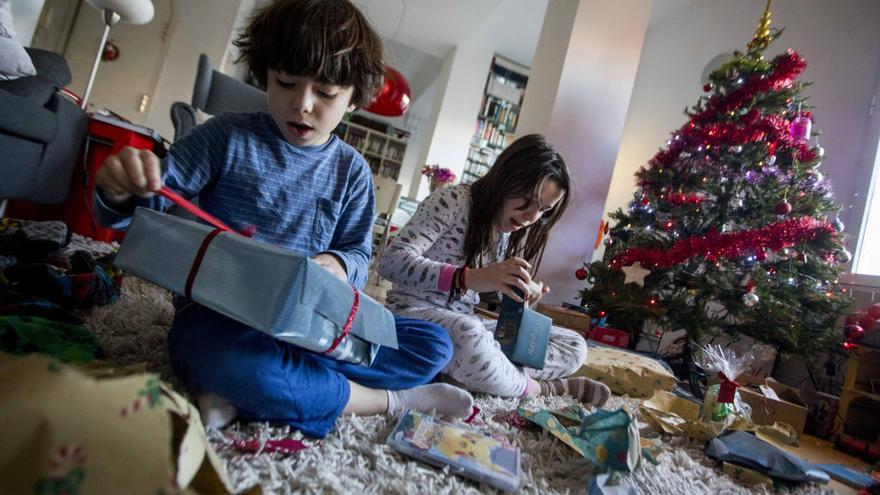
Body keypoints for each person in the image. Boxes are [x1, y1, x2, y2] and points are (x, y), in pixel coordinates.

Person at [92, 0, 472, 438]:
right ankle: (381, 401)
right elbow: (148, 205)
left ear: (353, 100)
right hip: (220, 315)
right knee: (224, 358)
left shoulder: (353, 172)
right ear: (265, 73)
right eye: (285, 82)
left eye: (326, 93)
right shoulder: (226, 135)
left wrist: (337, 264)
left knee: (435, 346)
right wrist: (121, 189)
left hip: (313, 323)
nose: (303, 104)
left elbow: (358, 255)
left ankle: (250, 387)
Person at [378, 135, 611, 407]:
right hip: (413, 314)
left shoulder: (504, 230)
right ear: (505, 178)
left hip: (467, 323)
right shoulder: (454, 199)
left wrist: (518, 294)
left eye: (544, 210)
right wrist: (468, 277)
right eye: (528, 200)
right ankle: (539, 389)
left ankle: (476, 374)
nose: (532, 217)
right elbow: (391, 261)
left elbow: (485, 298)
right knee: (469, 335)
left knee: (575, 346)